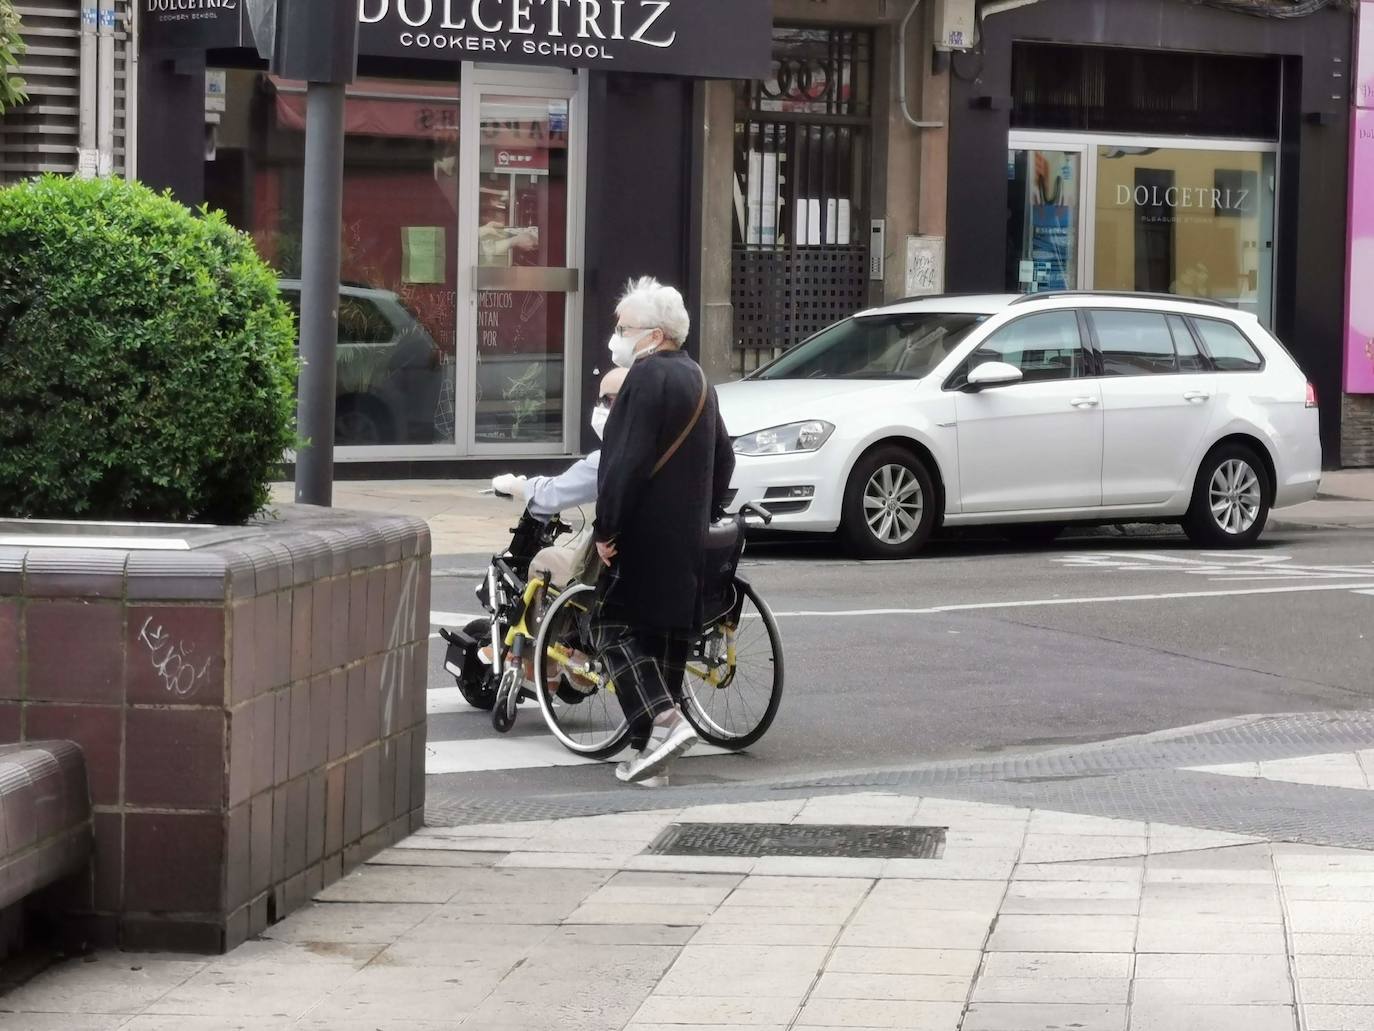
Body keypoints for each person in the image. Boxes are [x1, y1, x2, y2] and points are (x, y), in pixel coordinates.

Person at [592, 276, 735, 784]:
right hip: (687, 536)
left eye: (625, 327)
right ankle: (654, 761)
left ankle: (666, 721)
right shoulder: (700, 379)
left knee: (609, 629)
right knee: (665, 640)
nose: (618, 336)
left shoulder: (645, 378)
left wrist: (606, 529)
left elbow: (623, 462)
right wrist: (702, 509)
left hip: (644, 534)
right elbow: (726, 458)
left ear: (652, 336)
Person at [491, 366, 627, 587]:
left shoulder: (610, 459)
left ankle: (543, 622)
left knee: (545, 561)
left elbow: (551, 495)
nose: (599, 408)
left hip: (611, 573)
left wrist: (514, 485)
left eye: (605, 401)